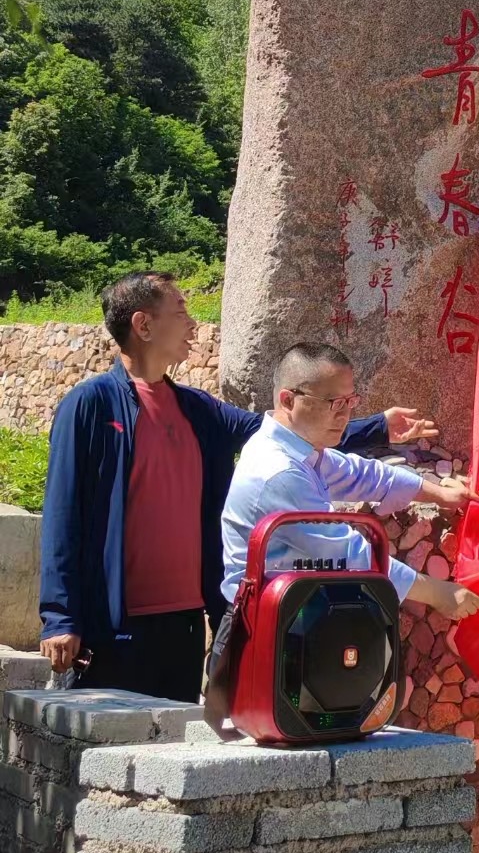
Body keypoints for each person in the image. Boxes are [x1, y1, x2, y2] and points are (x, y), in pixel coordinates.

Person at [39, 271, 440, 702]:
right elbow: (63, 514)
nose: (193, 323)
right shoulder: (90, 405)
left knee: (172, 737)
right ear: (143, 325)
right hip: (114, 626)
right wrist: (60, 617)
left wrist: (377, 427)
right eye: (180, 312)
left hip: (186, 624)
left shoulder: (195, 408)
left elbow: (280, 431)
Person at [209, 342, 479, 702]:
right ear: (288, 400)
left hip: (293, 625)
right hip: (262, 637)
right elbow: (351, 554)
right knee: (268, 733)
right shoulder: (278, 471)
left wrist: (438, 493)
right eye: (333, 403)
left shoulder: (300, 449)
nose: (345, 415)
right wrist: (438, 593)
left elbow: (362, 474)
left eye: (350, 402)